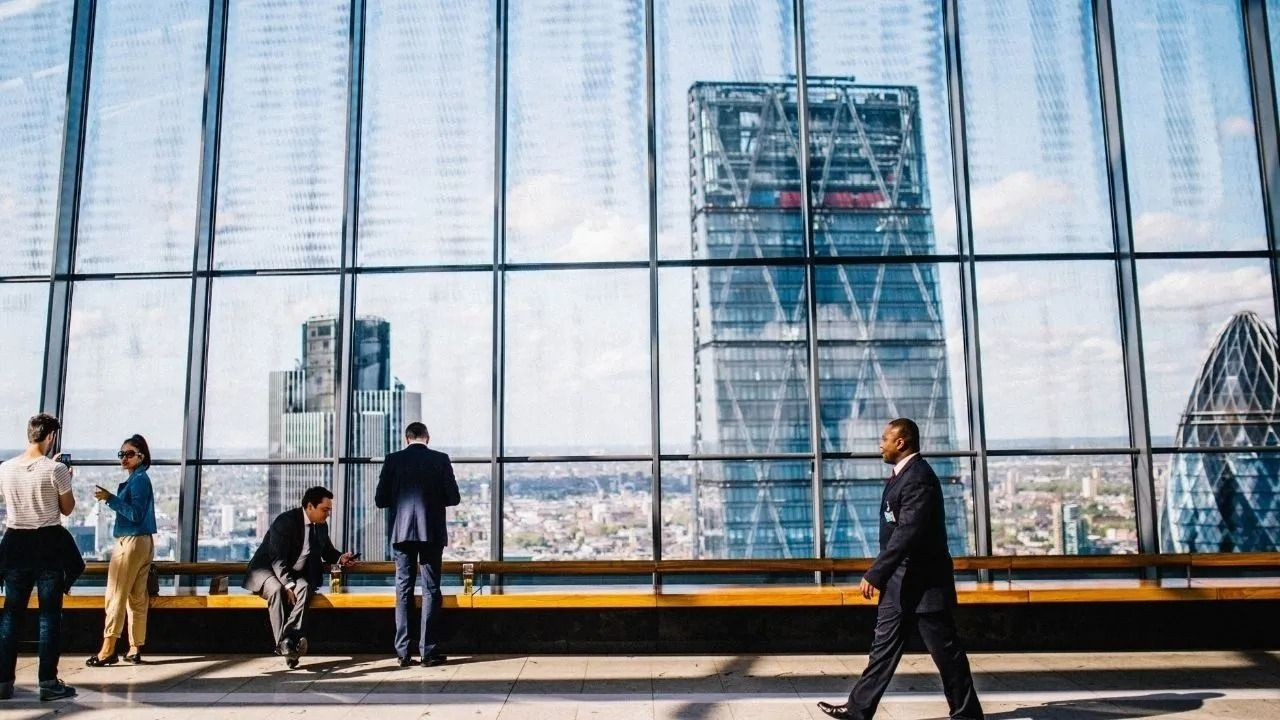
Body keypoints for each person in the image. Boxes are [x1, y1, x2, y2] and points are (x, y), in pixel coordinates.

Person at [818, 418, 983, 720]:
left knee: (946, 653)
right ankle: (858, 709)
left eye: (884, 439)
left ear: (901, 442)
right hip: (900, 583)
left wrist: (875, 573)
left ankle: (967, 714)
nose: (880, 445)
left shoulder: (918, 477)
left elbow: (907, 533)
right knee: (882, 649)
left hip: (924, 585)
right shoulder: (902, 475)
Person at [0, 414, 82, 702]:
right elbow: (67, 509)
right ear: (50, 437)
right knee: (49, 617)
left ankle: (2, 681)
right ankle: (48, 682)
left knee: (11, 615)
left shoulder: (5, 469)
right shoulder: (56, 469)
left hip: (15, 544)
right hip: (47, 544)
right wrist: (66, 478)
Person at [375, 422, 460, 667]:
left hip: (401, 533)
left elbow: (381, 500)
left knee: (403, 589)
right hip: (431, 532)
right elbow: (453, 497)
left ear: (406, 439)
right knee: (431, 589)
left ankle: (402, 652)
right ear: (427, 438)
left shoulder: (392, 460)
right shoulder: (441, 459)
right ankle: (428, 651)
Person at [243, 486, 356, 668]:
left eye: (329, 510)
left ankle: (286, 642)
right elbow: (277, 559)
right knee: (277, 590)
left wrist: (340, 557)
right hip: (266, 570)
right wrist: (288, 585)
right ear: (310, 506)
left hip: (293, 574)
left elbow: (327, 550)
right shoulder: (285, 522)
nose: (327, 514)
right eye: (324, 510)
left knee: (305, 588)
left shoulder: (320, 526)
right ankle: (289, 644)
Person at [86, 434, 157, 666]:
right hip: (144, 542)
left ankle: (107, 649)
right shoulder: (140, 479)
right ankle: (135, 647)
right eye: (121, 454)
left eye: (129, 454)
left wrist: (110, 499)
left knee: (116, 594)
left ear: (141, 456)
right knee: (137, 597)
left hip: (130, 542)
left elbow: (135, 514)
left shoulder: (138, 481)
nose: (124, 458)